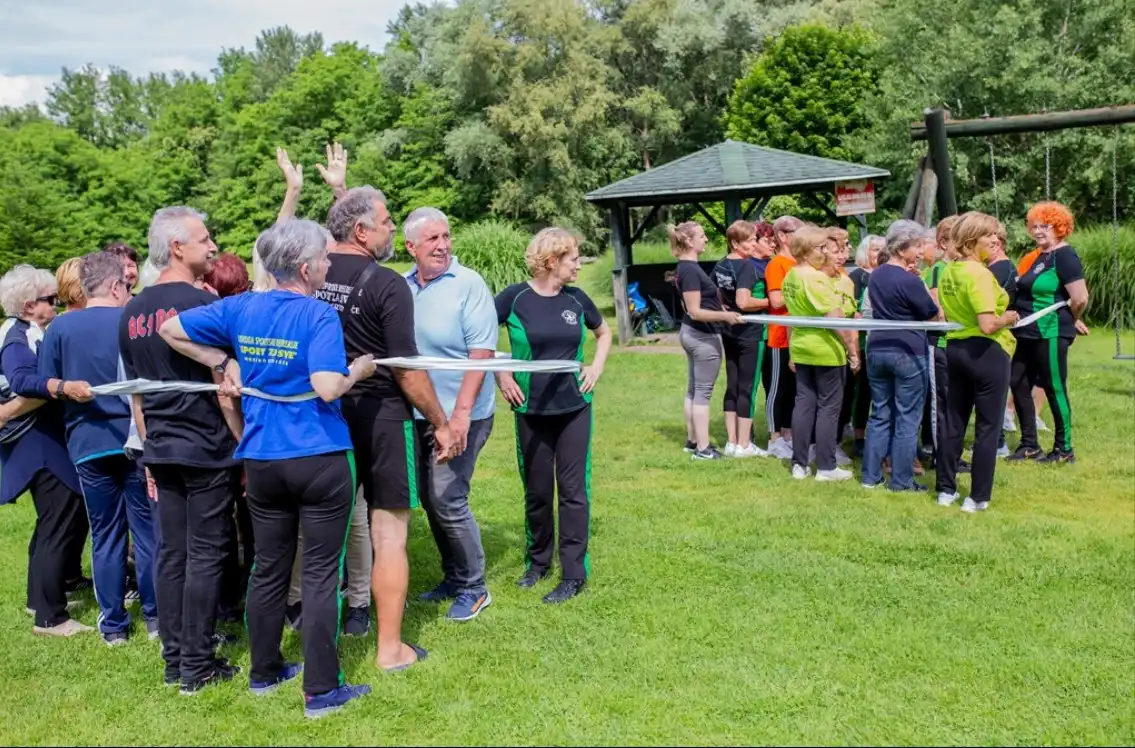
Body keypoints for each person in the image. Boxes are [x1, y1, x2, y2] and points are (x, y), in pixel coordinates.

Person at [159, 219, 376, 718]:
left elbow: (172, 329)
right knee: (320, 573)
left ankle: (265, 671)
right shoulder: (318, 315)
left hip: (262, 458)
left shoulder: (241, 306)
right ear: (305, 267)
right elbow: (327, 386)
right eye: (323, 257)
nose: (328, 264)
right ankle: (322, 690)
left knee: (269, 566)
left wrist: (222, 362)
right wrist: (359, 370)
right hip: (319, 456)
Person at [321, 185, 457, 670]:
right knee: (389, 535)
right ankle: (390, 649)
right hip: (381, 417)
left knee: (321, 537)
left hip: (324, 414)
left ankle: (315, 650)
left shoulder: (308, 271)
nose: (393, 230)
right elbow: (408, 371)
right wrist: (441, 423)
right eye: (386, 223)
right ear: (361, 231)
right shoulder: (388, 284)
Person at [119, 207, 244, 693]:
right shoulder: (201, 303)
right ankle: (197, 665)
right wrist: (242, 441)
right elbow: (223, 382)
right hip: (206, 444)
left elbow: (136, 394)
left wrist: (148, 446)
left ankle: (174, 660)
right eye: (204, 239)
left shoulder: (131, 311)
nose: (213, 247)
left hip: (160, 445)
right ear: (176, 247)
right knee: (207, 553)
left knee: (171, 553)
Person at [39, 252, 159, 645]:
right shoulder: (133, 320)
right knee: (146, 531)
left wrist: (66, 388)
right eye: (125, 284)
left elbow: (45, 382)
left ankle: (114, 626)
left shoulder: (60, 327)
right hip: (134, 438)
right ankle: (156, 618)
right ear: (114, 285)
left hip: (88, 441)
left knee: (105, 534)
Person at [495, 228, 612, 603]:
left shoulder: (577, 299)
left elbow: (604, 333)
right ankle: (538, 564)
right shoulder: (515, 298)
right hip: (530, 408)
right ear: (551, 261)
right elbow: (479, 337)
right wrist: (502, 374)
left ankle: (574, 574)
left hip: (574, 407)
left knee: (574, 491)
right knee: (538, 491)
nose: (578, 264)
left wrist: (595, 368)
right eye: (573, 258)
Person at [401, 208, 499, 621]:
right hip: (421, 413)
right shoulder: (403, 286)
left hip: (465, 414)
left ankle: (475, 587)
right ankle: (454, 576)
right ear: (411, 247)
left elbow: (482, 354)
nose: (443, 246)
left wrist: (459, 418)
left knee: (447, 496)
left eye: (446, 236)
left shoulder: (468, 284)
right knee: (429, 497)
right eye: (432, 239)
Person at [0, 265, 94, 636]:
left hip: (40, 439)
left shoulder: (26, 331)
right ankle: (50, 617)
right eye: (50, 299)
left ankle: (39, 599)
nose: (55, 304)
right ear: (29, 306)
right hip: (38, 443)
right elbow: (23, 380)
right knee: (59, 521)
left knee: (52, 521)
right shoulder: (17, 338)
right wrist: (63, 386)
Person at [934, 212, 1020, 513]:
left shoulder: (949, 271)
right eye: (989, 236)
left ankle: (945, 490)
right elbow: (987, 324)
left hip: (955, 349)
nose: (995, 240)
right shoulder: (979, 274)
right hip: (986, 352)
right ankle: (978, 496)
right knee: (987, 427)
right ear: (971, 241)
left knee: (953, 420)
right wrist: (1008, 317)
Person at [860, 222, 940, 492]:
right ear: (903, 248)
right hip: (907, 351)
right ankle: (902, 481)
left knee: (879, 414)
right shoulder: (910, 280)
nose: (920, 252)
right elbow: (934, 315)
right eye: (917, 246)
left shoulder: (876, 275)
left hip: (877, 348)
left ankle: (870, 476)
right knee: (907, 418)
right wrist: (920, 283)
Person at [1007, 201, 1088, 464]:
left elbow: (1080, 297)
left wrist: (1071, 319)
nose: (1038, 231)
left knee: (1054, 387)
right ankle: (1029, 444)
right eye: (1035, 226)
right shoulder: (1040, 256)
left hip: (1051, 331)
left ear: (1059, 227)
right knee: (1018, 381)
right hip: (1028, 332)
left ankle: (1064, 449)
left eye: (1046, 226)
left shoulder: (1065, 256)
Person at [782, 226, 859, 481]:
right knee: (829, 407)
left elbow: (791, 316)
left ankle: (799, 463)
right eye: (821, 248)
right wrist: (851, 349)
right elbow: (835, 317)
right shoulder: (815, 278)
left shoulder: (791, 275)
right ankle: (826, 466)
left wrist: (792, 351)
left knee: (803, 404)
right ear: (806, 250)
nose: (826, 253)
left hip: (802, 347)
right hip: (825, 349)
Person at [670, 221, 742, 459]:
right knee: (702, 392)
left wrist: (717, 307)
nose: (706, 239)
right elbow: (694, 311)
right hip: (701, 335)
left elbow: (695, 304)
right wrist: (725, 316)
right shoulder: (690, 270)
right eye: (702, 236)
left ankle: (692, 441)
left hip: (692, 333)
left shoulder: (686, 268)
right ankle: (703, 449)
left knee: (693, 389)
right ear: (689, 241)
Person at [712, 220, 768, 458]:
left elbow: (712, 291)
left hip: (729, 332)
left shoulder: (721, 264)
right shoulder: (747, 267)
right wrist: (770, 302)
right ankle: (744, 444)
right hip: (750, 332)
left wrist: (722, 308)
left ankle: (731, 441)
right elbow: (743, 301)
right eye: (751, 240)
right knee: (748, 387)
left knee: (733, 384)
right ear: (735, 243)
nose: (754, 244)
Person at [920, 216, 960, 464]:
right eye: (960, 240)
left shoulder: (960, 268)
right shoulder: (937, 270)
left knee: (953, 401)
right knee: (939, 401)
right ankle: (939, 453)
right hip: (939, 343)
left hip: (958, 343)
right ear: (944, 243)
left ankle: (950, 451)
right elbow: (937, 310)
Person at [764, 215, 803, 458]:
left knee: (793, 389)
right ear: (782, 236)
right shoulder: (777, 264)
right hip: (779, 335)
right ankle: (774, 437)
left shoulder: (798, 263)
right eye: (797, 232)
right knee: (777, 388)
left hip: (798, 336)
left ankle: (788, 434)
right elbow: (776, 300)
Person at [846, 234, 882, 455]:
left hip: (881, 340)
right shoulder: (857, 276)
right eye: (875, 249)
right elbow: (853, 310)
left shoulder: (887, 275)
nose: (879, 253)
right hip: (861, 340)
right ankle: (858, 435)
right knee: (863, 391)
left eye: (882, 249)